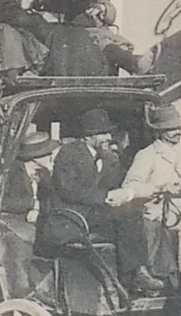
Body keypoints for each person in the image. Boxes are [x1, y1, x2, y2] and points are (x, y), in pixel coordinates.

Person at [39, 107, 160, 295]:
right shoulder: (69, 154)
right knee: (126, 215)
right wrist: (106, 197)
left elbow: (117, 184)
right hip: (68, 218)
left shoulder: (109, 158)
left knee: (134, 212)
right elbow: (69, 190)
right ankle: (136, 275)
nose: (108, 137)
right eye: (102, 133)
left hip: (95, 216)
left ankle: (137, 275)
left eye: (108, 132)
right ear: (88, 137)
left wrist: (124, 195)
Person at [105, 103, 181, 288]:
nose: (178, 132)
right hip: (161, 210)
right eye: (171, 128)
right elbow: (130, 185)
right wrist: (161, 187)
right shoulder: (147, 155)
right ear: (159, 131)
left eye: (178, 127)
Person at [33, 0, 145, 77]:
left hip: (95, 30)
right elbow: (38, 9)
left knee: (108, 44)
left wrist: (102, 8)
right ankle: (134, 63)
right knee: (104, 45)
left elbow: (111, 12)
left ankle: (135, 63)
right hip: (68, 33)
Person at [0, 126, 58, 299]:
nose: (51, 156)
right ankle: (21, 293)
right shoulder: (10, 172)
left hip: (29, 222)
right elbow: (0, 202)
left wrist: (37, 208)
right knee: (19, 246)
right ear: (35, 158)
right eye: (47, 153)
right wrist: (32, 203)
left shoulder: (44, 174)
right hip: (7, 222)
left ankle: (47, 291)